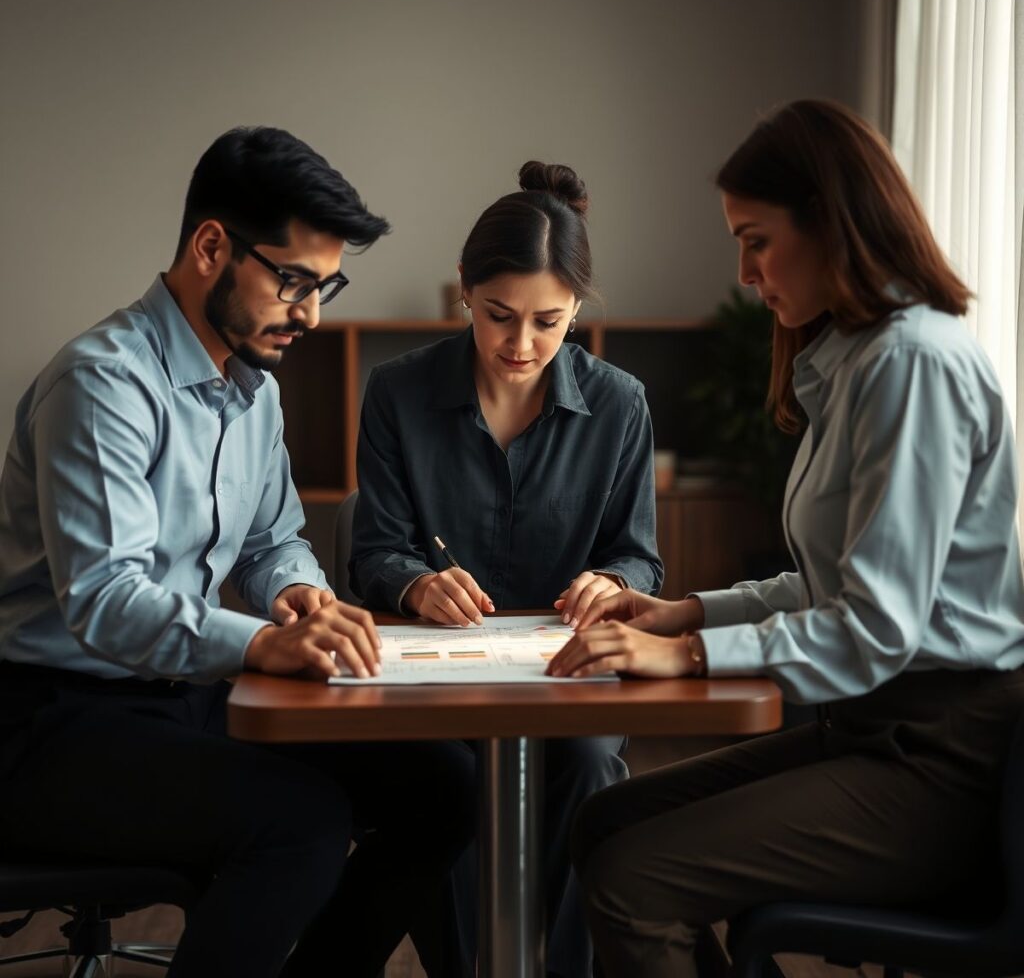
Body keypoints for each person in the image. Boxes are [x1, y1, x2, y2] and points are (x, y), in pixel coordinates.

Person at [548, 99, 1024, 978]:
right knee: (604, 823)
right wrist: (687, 613)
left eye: (756, 241)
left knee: (631, 879)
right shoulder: (857, 359)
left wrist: (689, 656)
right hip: (874, 728)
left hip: (941, 760)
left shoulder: (911, 364)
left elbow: (876, 627)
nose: (744, 273)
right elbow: (833, 583)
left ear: (831, 223)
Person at [0, 126, 475, 978]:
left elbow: (271, 540)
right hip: (50, 720)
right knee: (300, 823)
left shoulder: (255, 392)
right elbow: (106, 599)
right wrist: (261, 642)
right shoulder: (102, 383)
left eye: (326, 286)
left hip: (181, 697)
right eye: (294, 281)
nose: (313, 314)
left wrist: (297, 593)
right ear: (211, 247)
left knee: (443, 784)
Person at [350, 161, 664, 976]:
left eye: (548, 322)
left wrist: (614, 584)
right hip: (436, 676)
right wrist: (417, 582)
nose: (521, 345)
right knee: (439, 784)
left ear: (577, 310)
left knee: (590, 765)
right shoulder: (395, 393)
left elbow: (638, 556)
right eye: (499, 316)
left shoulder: (620, 404)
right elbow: (374, 551)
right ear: (464, 287)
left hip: (570, 671)